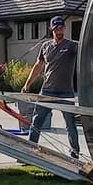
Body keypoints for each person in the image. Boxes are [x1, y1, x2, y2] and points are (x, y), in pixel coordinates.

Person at [23, 15, 80, 158]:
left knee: (70, 124)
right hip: (47, 91)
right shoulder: (45, 46)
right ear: (51, 30)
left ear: (64, 29)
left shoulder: (72, 46)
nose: (59, 31)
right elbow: (38, 66)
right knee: (36, 121)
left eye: (61, 28)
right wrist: (27, 83)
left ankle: (75, 154)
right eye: (56, 29)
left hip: (66, 92)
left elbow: (87, 50)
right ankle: (30, 152)